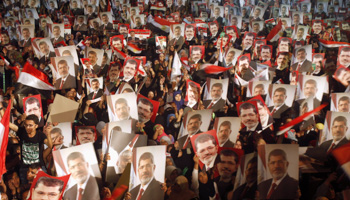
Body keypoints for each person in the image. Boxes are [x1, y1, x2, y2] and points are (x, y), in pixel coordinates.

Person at [17, 115, 52, 184]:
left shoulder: (40, 135)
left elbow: (50, 145)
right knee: (25, 188)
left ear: (36, 126)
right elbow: (7, 124)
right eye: (26, 125)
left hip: (38, 167)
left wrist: (48, 134)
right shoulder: (21, 132)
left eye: (30, 125)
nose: (27, 127)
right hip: (25, 168)